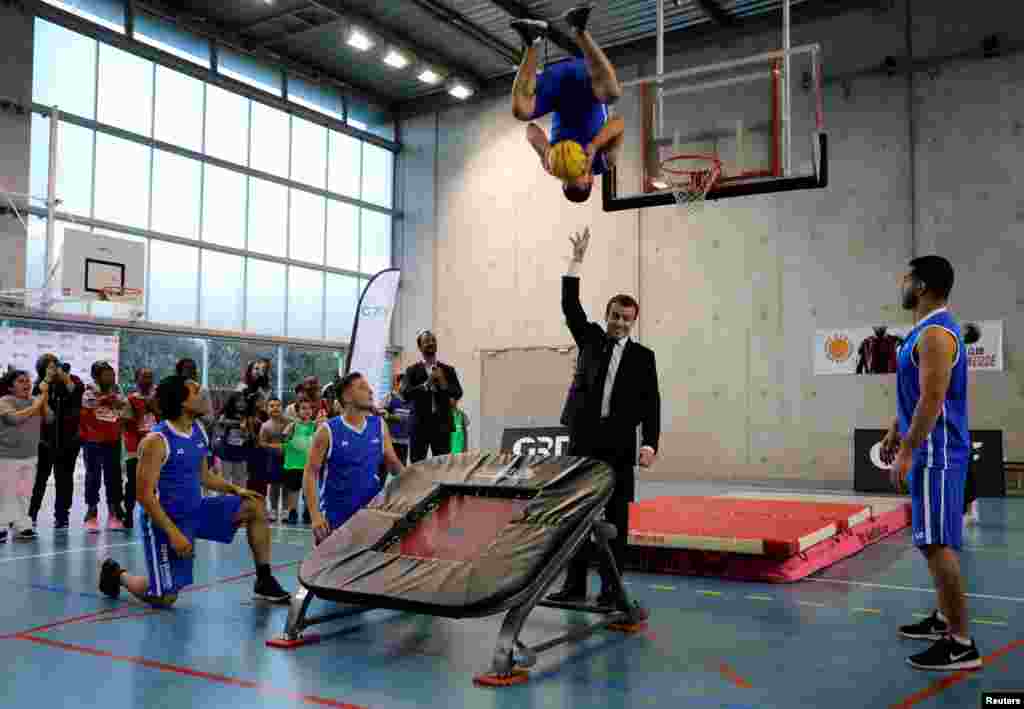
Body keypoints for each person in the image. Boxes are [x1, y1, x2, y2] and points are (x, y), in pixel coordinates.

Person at [99, 375, 290, 606]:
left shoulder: (198, 430)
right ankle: (117, 574)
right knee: (164, 598)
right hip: (164, 521)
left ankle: (264, 579)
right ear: (182, 401)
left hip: (196, 510)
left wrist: (235, 489)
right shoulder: (156, 440)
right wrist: (174, 534)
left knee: (255, 505)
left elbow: (205, 476)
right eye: (195, 390)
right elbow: (144, 496)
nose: (203, 394)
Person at [548, 227, 661, 607]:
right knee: (576, 514)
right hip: (583, 440)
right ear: (607, 315)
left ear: (635, 320)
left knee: (616, 521)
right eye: (615, 316)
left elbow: (652, 404)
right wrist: (576, 260)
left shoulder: (644, 358)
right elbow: (569, 306)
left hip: (618, 448)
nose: (620, 323)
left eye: (627, 318)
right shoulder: (591, 339)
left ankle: (611, 590)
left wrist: (649, 443)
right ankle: (573, 585)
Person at [879, 255, 981, 671]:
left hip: (937, 454)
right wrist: (894, 430)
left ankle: (961, 643)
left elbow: (933, 398)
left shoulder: (937, 332)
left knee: (938, 544)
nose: (900, 285)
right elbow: (914, 391)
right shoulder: (922, 331)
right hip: (926, 448)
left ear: (920, 285)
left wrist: (907, 450)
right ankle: (943, 619)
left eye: (905, 279)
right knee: (929, 541)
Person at [510, 3, 625, 203]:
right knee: (612, 94)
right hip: (588, 86)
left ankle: (533, 40)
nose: (569, 175)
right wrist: (594, 145)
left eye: (566, 180)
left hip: (558, 91)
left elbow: (531, 130)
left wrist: (545, 151)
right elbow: (619, 123)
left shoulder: (555, 164)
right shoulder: (604, 162)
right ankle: (580, 30)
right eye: (576, 179)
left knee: (521, 110)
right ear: (589, 179)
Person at [304, 372, 405, 544]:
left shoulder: (379, 425)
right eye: (362, 387)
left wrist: (419, 478)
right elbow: (310, 473)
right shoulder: (327, 430)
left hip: (369, 516)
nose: (370, 391)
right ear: (347, 396)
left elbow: (394, 465)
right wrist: (315, 516)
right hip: (335, 519)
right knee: (332, 570)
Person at [28, 354, 83, 530]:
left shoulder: (72, 380)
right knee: (39, 479)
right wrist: (45, 387)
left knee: (65, 479)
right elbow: (43, 414)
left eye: (55, 366)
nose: (53, 370)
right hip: (45, 441)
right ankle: (31, 515)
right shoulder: (40, 384)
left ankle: (62, 516)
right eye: (49, 367)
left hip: (69, 440)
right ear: (42, 370)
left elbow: (76, 392)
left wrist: (64, 377)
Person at [401, 331, 463, 463]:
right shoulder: (412, 370)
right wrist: (425, 385)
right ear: (420, 347)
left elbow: (458, 392)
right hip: (419, 426)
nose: (431, 343)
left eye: (433, 340)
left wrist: (443, 383)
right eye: (427, 341)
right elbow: (405, 394)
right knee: (417, 467)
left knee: (442, 466)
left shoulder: (448, 370)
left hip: (442, 426)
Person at [0, 369, 48, 542]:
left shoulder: (35, 400)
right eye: (21, 381)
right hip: (7, 456)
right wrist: (36, 405)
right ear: (10, 386)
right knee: (6, 493)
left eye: (28, 381)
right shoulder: (5, 401)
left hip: (30, 455)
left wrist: (45, 396)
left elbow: (49, 418)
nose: (26, 384)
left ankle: (22, 526)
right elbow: (14, 419)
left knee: (24, 493)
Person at [80, 361, 127, 533]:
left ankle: (114, 513)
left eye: (112, 374)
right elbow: (90, 405)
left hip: (112, 439)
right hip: (92, 440)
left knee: (113, 476)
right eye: (107, 374)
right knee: (93, 476)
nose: (111, 377)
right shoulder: (88, 391)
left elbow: (123, 405)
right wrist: (104, 399)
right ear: (96, 376)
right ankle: (91, 513)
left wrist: (112, 400)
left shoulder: (118, 390)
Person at [122, 367, 158, 529]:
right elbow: (127, 425)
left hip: (155, 448)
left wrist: (154, 407)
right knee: (133, 483)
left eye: (150, 377)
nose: (147, 380)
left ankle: (152, 514)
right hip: (135, 449)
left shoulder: (159, 399)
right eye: (144, 377)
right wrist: (144, 409)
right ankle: (128, 513)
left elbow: (164, 419)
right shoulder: (130, 400)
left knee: (154, 483)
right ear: (137, 379)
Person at [282, 398, 316, 525]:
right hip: (294, 464)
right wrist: (289, 433)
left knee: (309, 490)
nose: (307, 411)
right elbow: (285, 441)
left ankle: (308, 512)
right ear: (297, 412)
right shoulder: (292, 426)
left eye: (310, 408)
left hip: (310, 465)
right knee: (294, 490)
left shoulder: (316, 426)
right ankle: (293, 512)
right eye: (303, 408)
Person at [259, 397, 290, 522]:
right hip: (273, 459)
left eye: (278, 405)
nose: (275, 408)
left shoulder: (290, 422)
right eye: (272, 406)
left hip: (289, 459)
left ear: (282, 407)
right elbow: (262, 443)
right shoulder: (265, 426)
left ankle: (285, 510)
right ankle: (273, 509)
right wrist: (276, 446)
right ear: (267, 409)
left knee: (287, 485)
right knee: (274, 486)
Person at [213, 392, 250, 491]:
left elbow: (248, 435)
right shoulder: (225, 414)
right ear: (232, 402)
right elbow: (220, 423)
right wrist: (237, 423)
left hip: (241, 453)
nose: (241, 404)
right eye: (238, 401)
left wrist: (245, 431)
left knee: (240, 481)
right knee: (224, 480)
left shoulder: (248, 416)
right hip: (226, 452)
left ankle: (238, 503)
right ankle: (222, 502)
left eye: (243, 401)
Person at [382, 374, 411, 465]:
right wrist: (392, 416)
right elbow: (381, 412)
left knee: (402, 470)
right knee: (384, 468)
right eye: (404, 383)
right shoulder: (390, 397)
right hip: (390, 441)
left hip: (404, 441)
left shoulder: (411, 400)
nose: (406, 385)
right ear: (398, 384)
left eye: (408, 384)